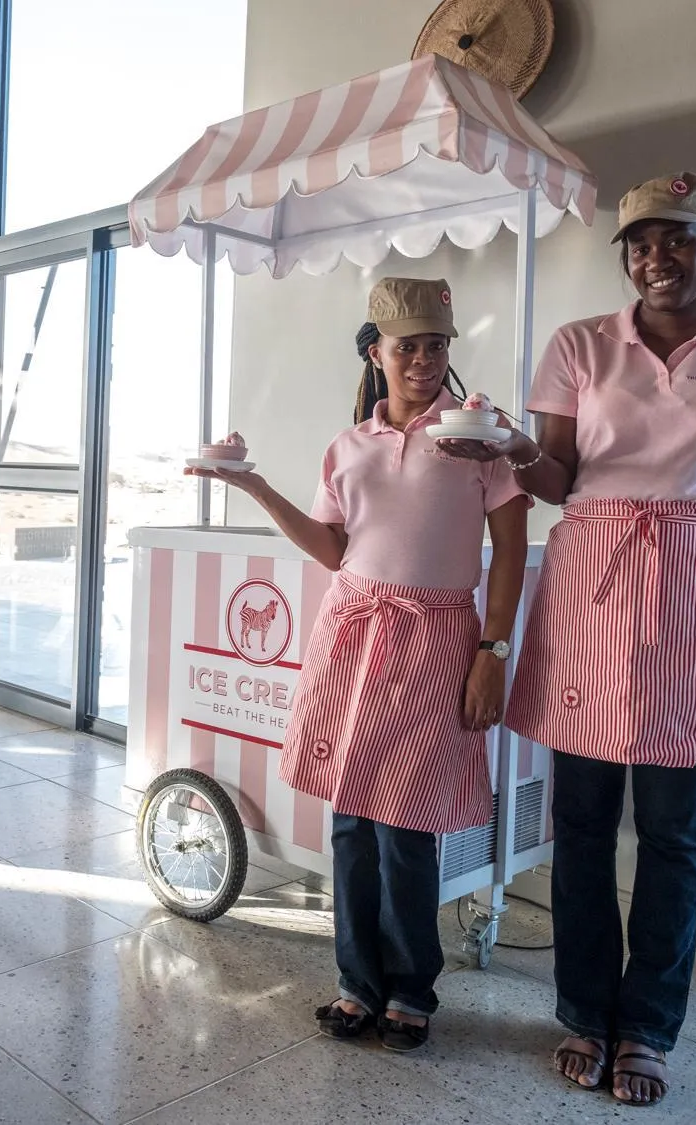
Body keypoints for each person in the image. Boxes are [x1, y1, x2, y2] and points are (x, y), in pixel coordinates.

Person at [437, 173, 696, 1105]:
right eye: (639, 244)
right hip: (592, 588)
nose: (655, 258)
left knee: (675, 831)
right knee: (584, 820)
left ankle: (647, 1025)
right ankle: (585, 1011)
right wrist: (514, 449)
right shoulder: (580, 344)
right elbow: (559, 478)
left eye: (676, 238)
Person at [189, 277, 529, 1053]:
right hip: (352, 635)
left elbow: (509, 550)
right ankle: (357, 983)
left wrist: (493, 651)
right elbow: (334, 548)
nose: (422, 360)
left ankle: (410, 989)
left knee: (406, 824)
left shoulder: (480, 438)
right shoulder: (349, 445)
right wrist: (253, 486)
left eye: (436, 345)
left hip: (436, 638)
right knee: (349, 819)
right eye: (407, 346)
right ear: (376, 352)